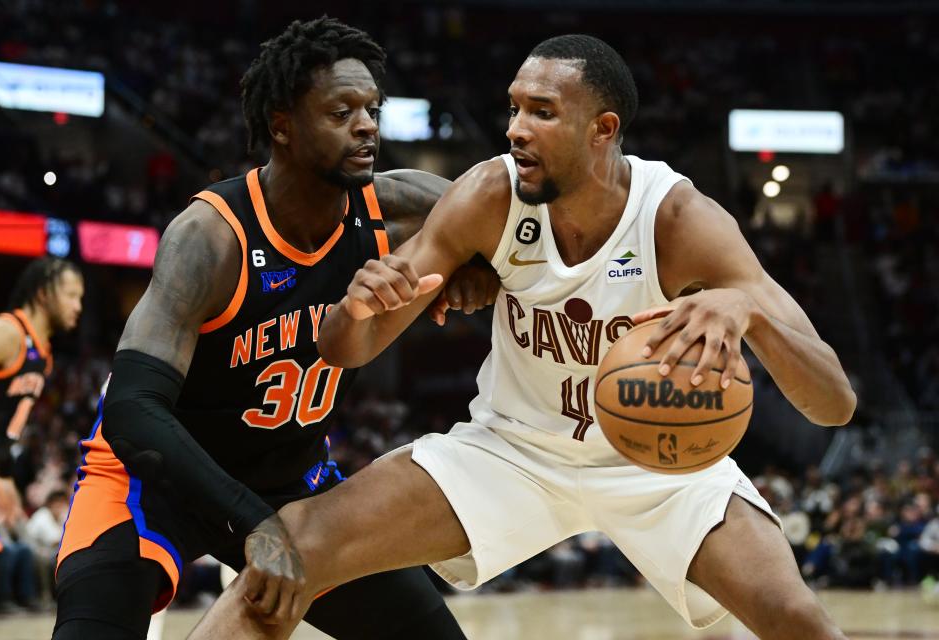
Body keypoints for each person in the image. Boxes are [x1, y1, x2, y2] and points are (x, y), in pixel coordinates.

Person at [193, 34, 859, 640]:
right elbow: (347, 350)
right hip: (511, 449)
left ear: (603, 129)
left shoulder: (680, 220)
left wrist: (748, 309)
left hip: (658, 464)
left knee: (796, 618)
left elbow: (835, 405)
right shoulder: (489, 194)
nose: (515, 129)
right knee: (290, 546)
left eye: (541, 112)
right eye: (513, 108)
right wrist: (356, 310)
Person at [53, 17, 495, 640]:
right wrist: (253, 524)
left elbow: (529, 242)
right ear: (282, 124)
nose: (367, 124)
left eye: (372, 108)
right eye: (342, 111)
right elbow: (131, 409)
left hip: (290, 486)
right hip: (154, 483)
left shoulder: (401, 208)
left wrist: (480, 273)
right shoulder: (210, 236)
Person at [0, 257, 83, 607]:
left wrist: (3, 472)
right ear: (43, 293)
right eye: (70, 295)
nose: (77, 306)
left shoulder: (44, 355)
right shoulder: (8, 332)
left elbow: (5, 423)